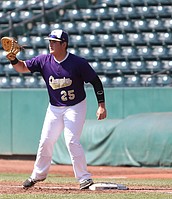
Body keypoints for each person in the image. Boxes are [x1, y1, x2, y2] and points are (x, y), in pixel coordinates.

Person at [8, 29, 107, 189]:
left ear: (64, 44)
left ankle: (84, 178)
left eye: (54, 41)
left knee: (71, 140)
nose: (51, 44)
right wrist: (13, 59)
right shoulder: (44, 60)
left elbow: (96, 82)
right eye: (50, 41)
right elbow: (22, 68)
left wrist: (101, 105)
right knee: (46, 140)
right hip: (54, 107)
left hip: (75, 106)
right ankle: (37, 175)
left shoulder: (78, 63)